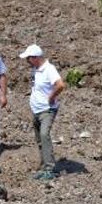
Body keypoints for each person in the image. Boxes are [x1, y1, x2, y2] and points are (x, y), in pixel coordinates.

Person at [19, 44, 65, 180]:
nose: (27, 61)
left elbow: (60, 85)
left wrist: (51, 97)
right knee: (39, 138)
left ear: (35, 58)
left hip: (47, 109)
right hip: (36, 109)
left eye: (28, 58)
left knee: (44, 134)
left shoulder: (49, 69)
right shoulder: (35, 70)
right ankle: (44, 164)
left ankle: (50, 168)